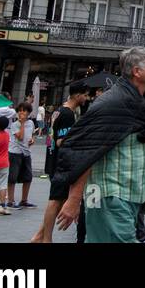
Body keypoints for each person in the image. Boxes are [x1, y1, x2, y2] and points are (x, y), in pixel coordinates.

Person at [54, 48, 145, 243]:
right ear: (137, 72)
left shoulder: (138, 101)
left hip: (125, 194)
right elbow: (86, 151)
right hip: (110, 193)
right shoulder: (113, 103)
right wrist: (74, 199)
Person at [29, 82, 89, 243]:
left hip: (52, 157)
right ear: (77, 95)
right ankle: (46, 239)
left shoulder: (58, 110)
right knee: (55, 201)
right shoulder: (68, 114)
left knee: (60, 200)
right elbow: (62, 141)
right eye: (85, 95)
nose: (86, 98)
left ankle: (40, 236)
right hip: (60, 162)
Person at [5, 102, 36, 209]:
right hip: (15, 153)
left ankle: (24, 200)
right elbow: (20, 137)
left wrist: (32, 140)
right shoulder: (14, 125)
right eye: (20, 110)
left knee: (28, 177)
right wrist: (22, 123)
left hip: (26, 153)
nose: (21, 113)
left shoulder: (31, 123)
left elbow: (29, 136)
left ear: (28, 112)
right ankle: (10, 201)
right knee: (12, 177)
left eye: (24, 110)